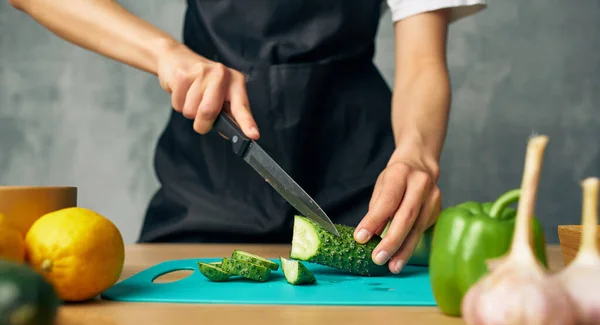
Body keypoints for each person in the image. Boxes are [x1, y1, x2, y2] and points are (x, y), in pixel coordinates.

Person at [9, 0, 486, 274]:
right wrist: (166, 54)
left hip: (362, 188)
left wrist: (417, 155)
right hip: (207, 181)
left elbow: (423, 63)